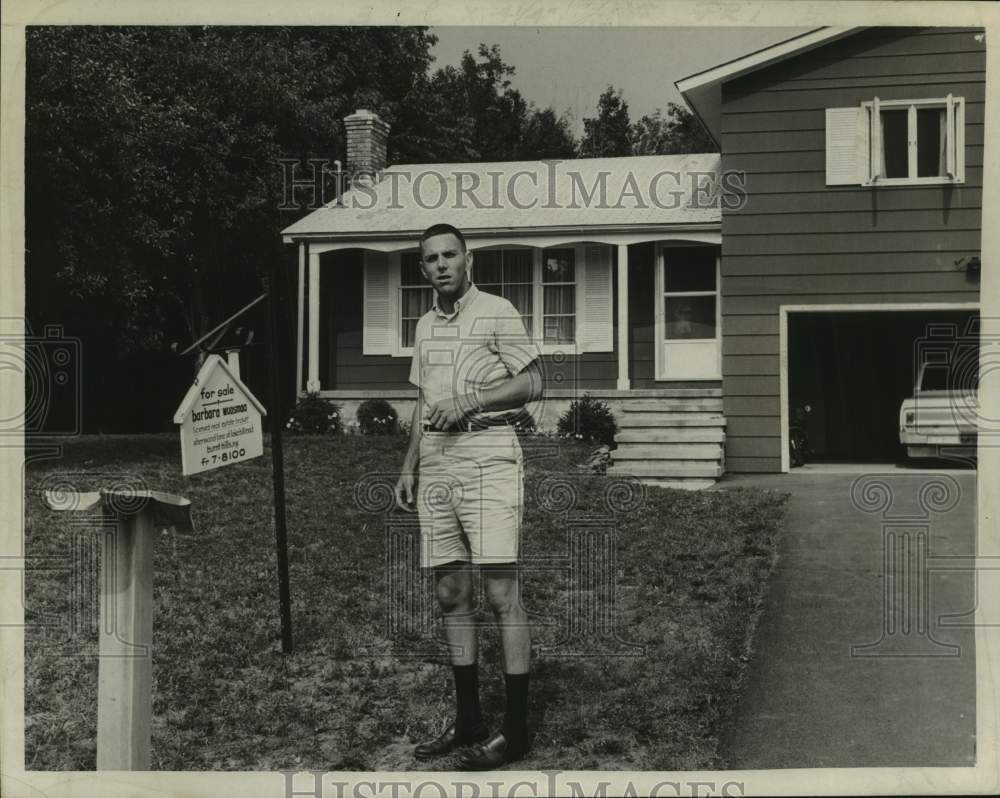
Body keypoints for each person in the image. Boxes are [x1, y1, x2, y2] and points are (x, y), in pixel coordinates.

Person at [394, 222, 544, 769]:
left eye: (449, 255)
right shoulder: (425, 325)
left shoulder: (498, 312)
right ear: (423, 268)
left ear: (467, 259)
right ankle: (469, 720)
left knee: (502, 594)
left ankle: (516, 730)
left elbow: (533, 383)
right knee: (452, 593)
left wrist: (473, 399)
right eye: (431, 258)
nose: (441, 265)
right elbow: (422, 402)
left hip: (489, 456)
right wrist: (409, 465)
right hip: (437, 463)